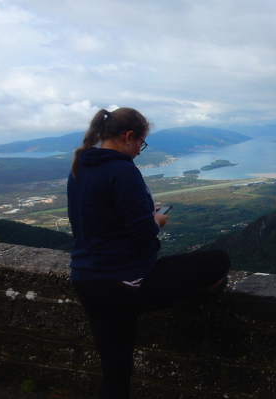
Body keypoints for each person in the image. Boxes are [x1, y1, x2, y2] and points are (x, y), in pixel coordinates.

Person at [68, 107, 230, 399]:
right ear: (128, 136)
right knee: (218, 260)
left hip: (86, 280)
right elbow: (142, 234)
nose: (140, 152)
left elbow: (98, 221)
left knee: (115, 371)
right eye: (141, 143)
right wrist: (155, 220)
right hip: (123, 281)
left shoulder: (81, 166)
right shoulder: (122, 169)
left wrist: (142, 215)